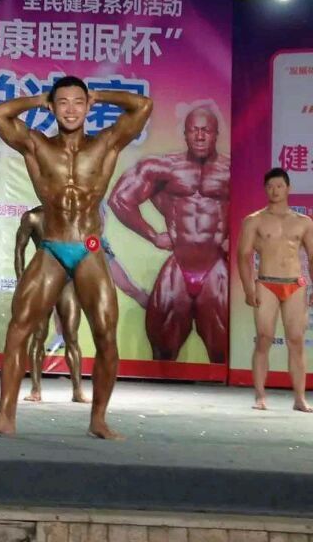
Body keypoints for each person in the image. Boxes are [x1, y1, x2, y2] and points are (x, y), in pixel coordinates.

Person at [0, 76, 152, 439]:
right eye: (63, 103)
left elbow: (143, 106)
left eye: (78, 102)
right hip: (52, 246)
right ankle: (5, 416)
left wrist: (99, 94)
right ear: (53, 108)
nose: (71, 109)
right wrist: (39, 99)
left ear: (88, 107)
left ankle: (98, 419)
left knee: (105, 335)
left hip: (88, 248)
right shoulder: (37, 145)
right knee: (19, 330)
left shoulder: (106, 143)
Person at [109, 106, 230, 363]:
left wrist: (238, 239)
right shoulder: (162, 167)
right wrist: (152, 235)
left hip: (216, 265)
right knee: (163, 347)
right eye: (194, 130)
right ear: (185, 134)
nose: (200, 136)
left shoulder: (233, 170)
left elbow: (257, 207)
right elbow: (120, 199)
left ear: (216, 134)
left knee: (222, 349)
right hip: (179, 264)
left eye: (206, 130)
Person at [236, 168, 313, 412]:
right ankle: (260, 396)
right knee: (264, 338)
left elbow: (312, 256)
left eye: (279, 186)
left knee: (296, 340)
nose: (275, 190)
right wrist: (248, 288)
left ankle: (300, 398)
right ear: (265, 189)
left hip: (295, 284)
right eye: (270, 186)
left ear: (288, 188)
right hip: (266, 283)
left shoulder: (304, 222)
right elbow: (243, 255)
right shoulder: (254, 220)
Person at [15, 206, 88, 404]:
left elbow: (86, 246)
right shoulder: (33, 217)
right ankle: (36, 389)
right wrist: (21, 282)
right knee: (39, 336)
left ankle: (78, 390)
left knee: (72, 335)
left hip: (67, 280)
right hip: (43, 279)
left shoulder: (73, 216)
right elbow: (19, 249)